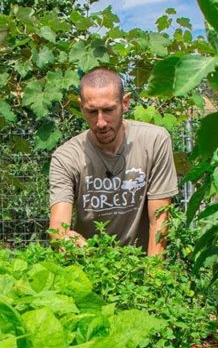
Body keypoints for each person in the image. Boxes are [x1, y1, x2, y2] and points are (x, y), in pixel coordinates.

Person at [48, 67, 179, 256]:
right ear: (81, 107)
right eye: (92, 112)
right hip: (89, 262)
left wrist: (153, 272)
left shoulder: (154, 142)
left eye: (108, 110)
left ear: (125, 103)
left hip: (141, 261)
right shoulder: (66, 157)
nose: (101, 122)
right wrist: (65, 239)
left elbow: (159, 220)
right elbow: (58, 227)